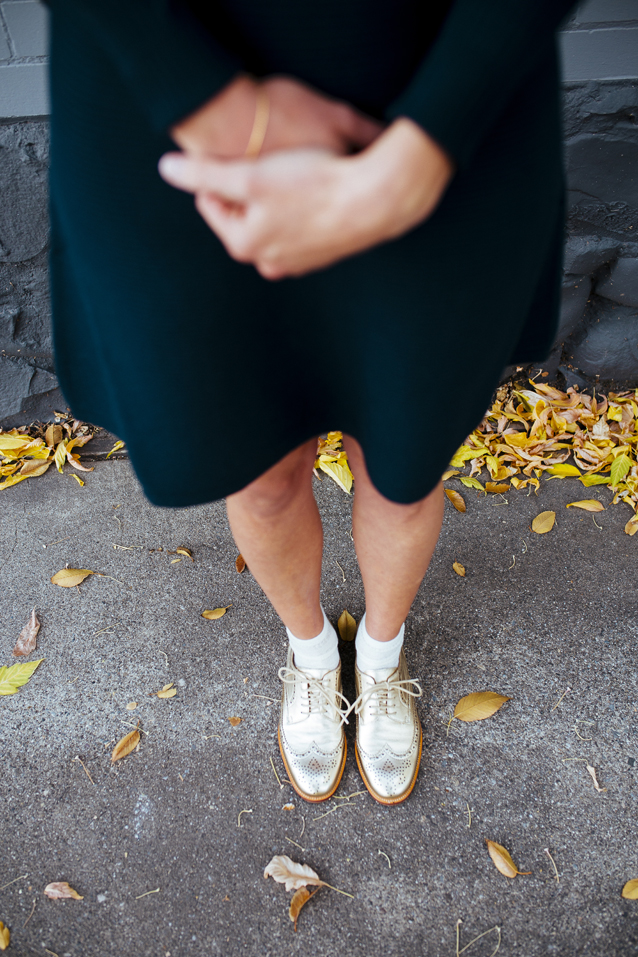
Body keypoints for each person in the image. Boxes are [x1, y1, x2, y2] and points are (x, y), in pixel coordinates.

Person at [47, 0, 577, 805]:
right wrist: (226, 111)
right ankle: (311, 654)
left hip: (437, 92)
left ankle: (382, 653)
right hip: (170, 100)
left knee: (406, 454)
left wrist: (419, 154)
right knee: (257, 465)